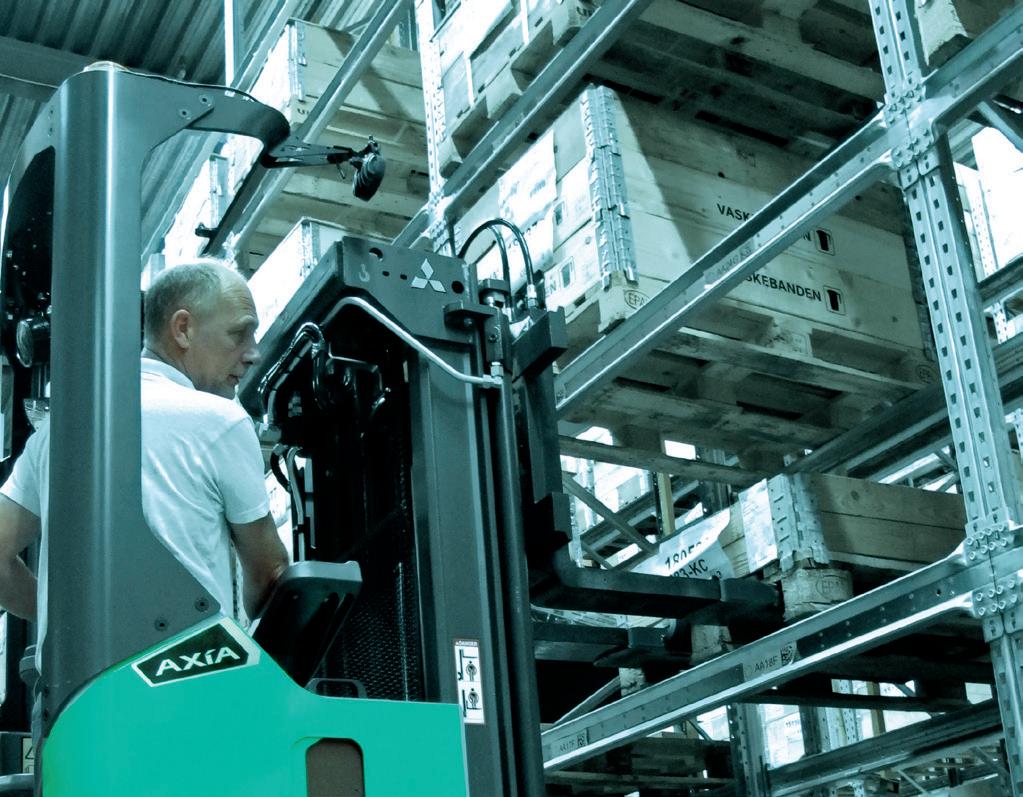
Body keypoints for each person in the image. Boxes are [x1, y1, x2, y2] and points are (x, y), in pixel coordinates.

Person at [0, 259, 290, 637]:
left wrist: (63, 624)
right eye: (239, 334)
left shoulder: (57, 433)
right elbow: (270, 573)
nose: (253, 354)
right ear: (183, 329)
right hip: (187, 666)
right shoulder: (221, 422)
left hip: (78, 673)